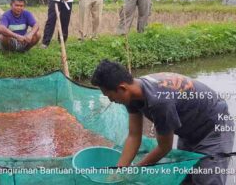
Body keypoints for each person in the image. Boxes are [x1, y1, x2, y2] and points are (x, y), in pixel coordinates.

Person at [91, 59, 234, 185]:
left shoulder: (159, 102)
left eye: (109, 96)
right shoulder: (132, 93)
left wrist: (137, 169)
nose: (111, 101)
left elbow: (164, 147)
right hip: (189, 128)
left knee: (207, 178)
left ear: (122, 88)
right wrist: (120, 170)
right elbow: (134, 136)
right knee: (185, 174)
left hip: (214, 127)